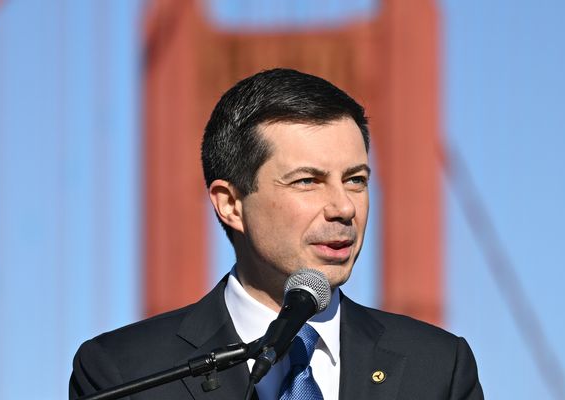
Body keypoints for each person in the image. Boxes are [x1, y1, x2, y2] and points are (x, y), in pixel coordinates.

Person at [70, 68, 484, 400]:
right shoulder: (125, 373)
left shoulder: (438, 367)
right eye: (307, 181)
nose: (343, 207)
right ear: (231, 204)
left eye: (356, 180)